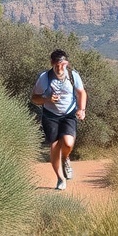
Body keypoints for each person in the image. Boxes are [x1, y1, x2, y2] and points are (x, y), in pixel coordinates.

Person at [31, 49, 87, 190]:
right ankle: (60, 179)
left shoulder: (73, 76)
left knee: (68, 143)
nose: (60, 68)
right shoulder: (44, 78)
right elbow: (34, 98)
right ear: (52, 63)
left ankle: (66, 158)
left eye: (62, 65)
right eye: (57, 65)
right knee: (55, 146)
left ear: (66, 63)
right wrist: (47, 99)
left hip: (68, 114)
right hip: (50, 116)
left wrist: (81, 109)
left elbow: (81, 92)